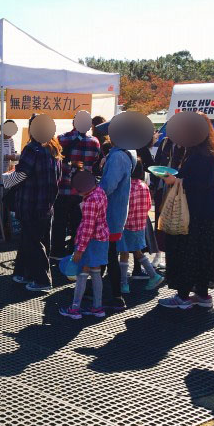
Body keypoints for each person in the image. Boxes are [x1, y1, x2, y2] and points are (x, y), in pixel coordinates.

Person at [159, 114, 214, 309]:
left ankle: (183, 297)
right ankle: (202, 296)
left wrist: (174, 181)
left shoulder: (199, 155)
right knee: (203, 256)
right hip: (210, 214)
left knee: (187, 254)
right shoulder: (210, 151)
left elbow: (197, 185)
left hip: (194, 215)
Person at [3, 113, 60, 292]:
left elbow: (21, 175)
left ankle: (42, 279)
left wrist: (5, 179)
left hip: (31, 204)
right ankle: (22, 273)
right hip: (47, 204)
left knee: (32, 242)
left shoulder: (32, 149)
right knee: (33, 240)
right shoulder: (54, 148)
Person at [97, 120, 138, 311]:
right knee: (107, 252)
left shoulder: (117, 157)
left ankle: (116, 296)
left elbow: (108, 186)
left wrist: (92, 194)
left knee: (110, 254)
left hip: (110, 213)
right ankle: (98, 289)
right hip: (117, 213)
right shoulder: (128, 153)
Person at [51, 111, 101, 259]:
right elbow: (95, 162)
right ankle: (74, 250)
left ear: (74, 123)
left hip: (63, 188)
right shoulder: (95, 142)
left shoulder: (61, 139)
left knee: (59, 221)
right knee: (78, 223)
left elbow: (55, 161)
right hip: (83, 191)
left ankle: (57, 251)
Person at [60, 171, 109, 319]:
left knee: (81, 273)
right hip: (102, 239)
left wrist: (79, 251)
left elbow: (88, 228)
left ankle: (75, 308)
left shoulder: (90, 201)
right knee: (96, 273)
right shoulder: (100, 192)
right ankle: (97, 307)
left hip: (89, 242)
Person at [118, 161, 164, 293]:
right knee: (138, 252)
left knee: (124, 254)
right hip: (140, 225)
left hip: (126, 225)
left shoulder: (126, 186)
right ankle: (153, 275)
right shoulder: (144, 186)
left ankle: (124, 284)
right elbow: (149, 205)